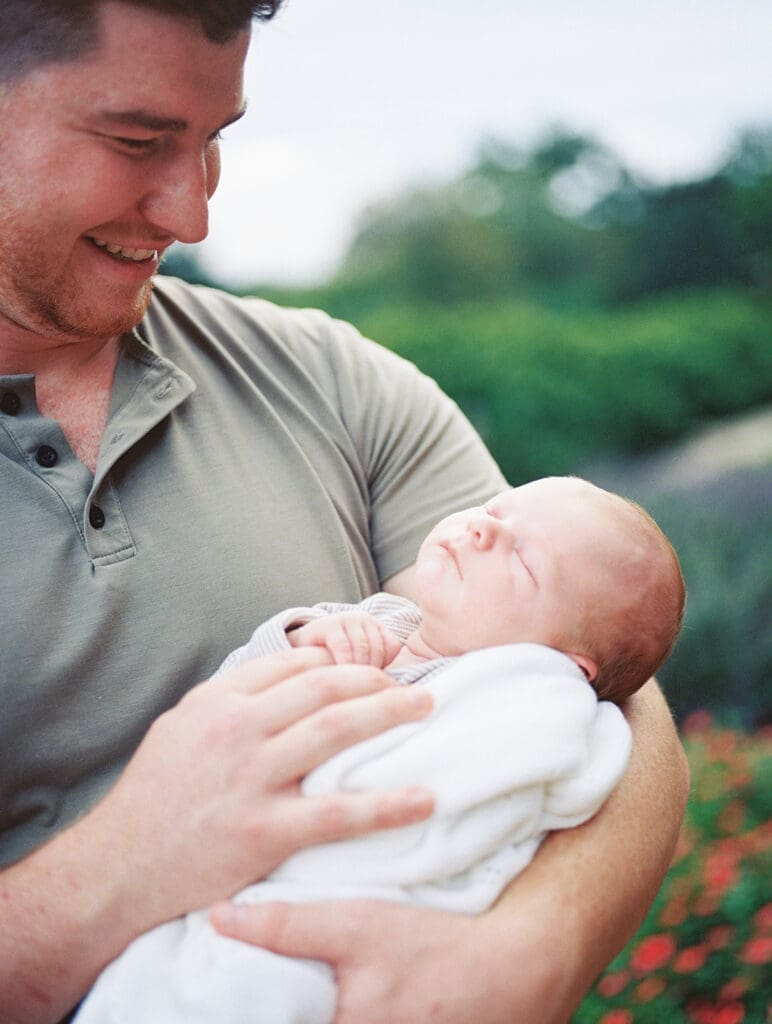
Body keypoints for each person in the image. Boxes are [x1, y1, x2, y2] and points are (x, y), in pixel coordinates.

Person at [0, 3, 690, 1024]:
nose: (191, 215)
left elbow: (624, 705)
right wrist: (128, 856)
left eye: (213, 141)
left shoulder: (330, 378)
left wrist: (530, 950)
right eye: (137, 142)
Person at [76, 476, 686, 1023]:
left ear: (564, 665)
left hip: (362, 911)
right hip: (237, 870)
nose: (481, 528)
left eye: (523, 560)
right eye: (493, 509)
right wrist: (300, 639)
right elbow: (221, 710)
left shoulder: (526, 709)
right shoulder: (379, 623)